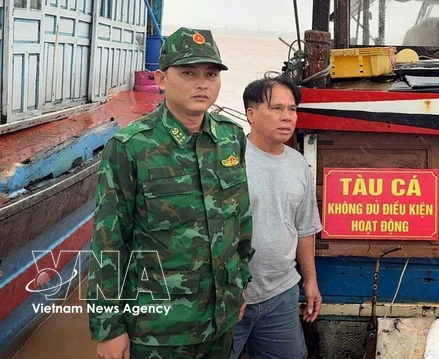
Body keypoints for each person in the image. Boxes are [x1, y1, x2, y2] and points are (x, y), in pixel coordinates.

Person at [88, 28, 253, 359]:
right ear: (162, 79)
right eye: (188, 73)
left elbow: (241, 222)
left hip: (220, 323)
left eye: (211, 74)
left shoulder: (231, 138)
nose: (202, 84)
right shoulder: (131, 146)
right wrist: (108, 328)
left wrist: (239, 286)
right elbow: (109, 242)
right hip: (158, 332)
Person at [230, 76, 322, 359]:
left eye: (292, 109)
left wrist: (310, 280)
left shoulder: (297, 163)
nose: (287, 117)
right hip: (231, 297)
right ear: (251, 114)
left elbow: (304, 227)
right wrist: (228, 288)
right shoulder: (229, 161)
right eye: (277, 108)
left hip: (281, 294)